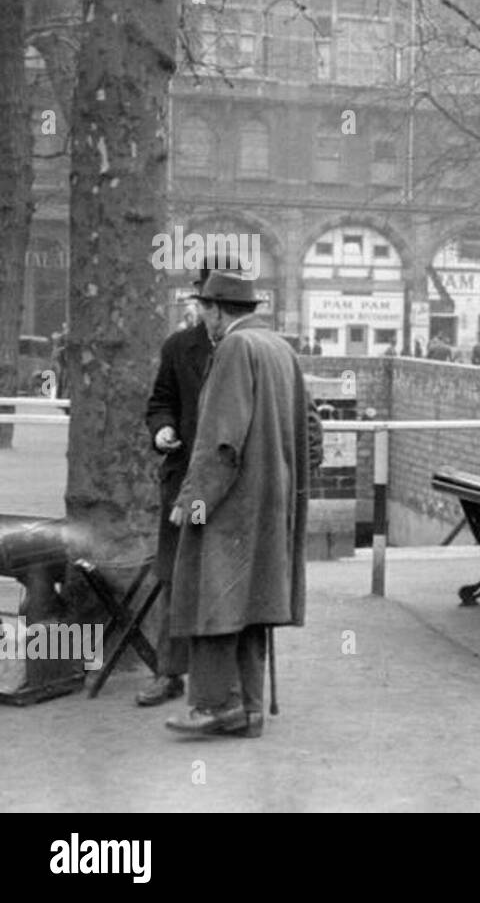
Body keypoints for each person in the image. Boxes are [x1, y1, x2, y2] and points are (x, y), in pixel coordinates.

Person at [164, 271, 315, 737]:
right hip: (272, 503)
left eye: (203, 309)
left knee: (210, 595)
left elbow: (221, 442)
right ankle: (248, 709)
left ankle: (214, 706)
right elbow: (311, 430)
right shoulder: (280, 349)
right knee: (253, 604)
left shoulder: (232, 349)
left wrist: (192, 502)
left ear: (216, 310)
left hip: (231, 502)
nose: (200, 317)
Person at [139, 265, 216, 708]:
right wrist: (162, 430)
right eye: (204, 302)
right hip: (183, 480)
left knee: (224, 578)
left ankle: (222, 682)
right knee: (174, 575)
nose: (209, 311)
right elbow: (160, 402)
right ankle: (169, 674)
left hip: (228, 487)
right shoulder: (178, 347)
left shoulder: (247, 349)